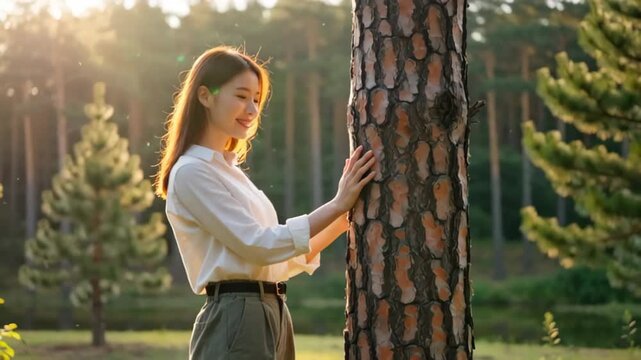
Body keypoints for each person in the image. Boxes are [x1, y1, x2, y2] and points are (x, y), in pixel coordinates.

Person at [154, 46, 376, 360]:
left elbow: (276, 261)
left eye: (256, 99)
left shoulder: (230, 171)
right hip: (237, 317)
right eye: (241, 96)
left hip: (273, 312)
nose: (252, 110)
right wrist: (337, 204)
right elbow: (258, 245)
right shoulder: (192, 172)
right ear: (205, 96)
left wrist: (343, 220)